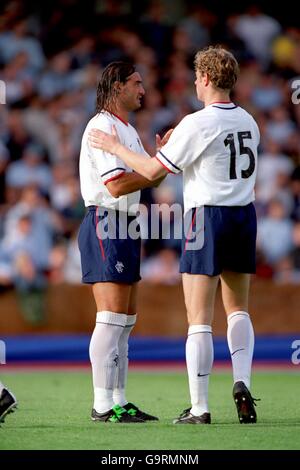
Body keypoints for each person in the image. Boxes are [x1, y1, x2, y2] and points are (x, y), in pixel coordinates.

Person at [88, 46, 260, 424]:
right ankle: (242, 381)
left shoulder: (196, 123)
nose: (196, 82)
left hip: (207, 217)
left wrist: (117, 148)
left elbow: (152, 171)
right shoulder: (249, 120)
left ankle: (200, 407)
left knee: (199, 320)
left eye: (199, 76)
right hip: (245, 216)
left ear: (208, 79)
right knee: (238, 310)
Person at [78, 61, 171, 423]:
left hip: (127, 224)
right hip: (106, 220)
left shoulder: (125, 130)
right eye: (136, 83)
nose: (142, 89)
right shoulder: (101, 126)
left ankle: (118, 400)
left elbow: (152, 179)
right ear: (117, 86)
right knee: (112, 317)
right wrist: (152, 168)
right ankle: (102, 405)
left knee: (127, 320)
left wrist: (156, 165)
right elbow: (116, 184)